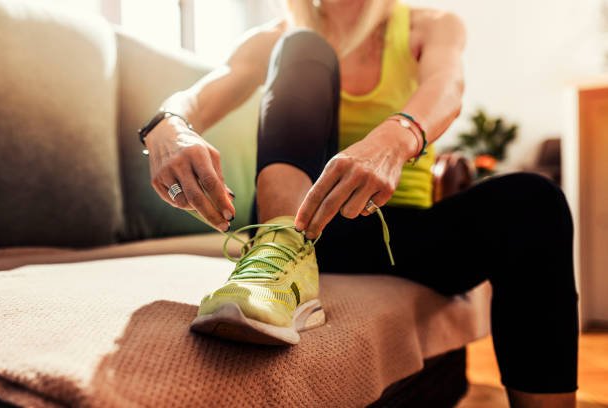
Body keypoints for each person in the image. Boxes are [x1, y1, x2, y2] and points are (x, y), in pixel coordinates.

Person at [142, 1, 578, 406]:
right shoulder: (279, 36)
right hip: (300, 223)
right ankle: (281, 256)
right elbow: (198, 95)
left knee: (535, 202)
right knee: (302, 45)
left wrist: (396, 136)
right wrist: (168, 126)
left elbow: (448, 85)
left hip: (391, 236)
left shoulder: (429, 26)